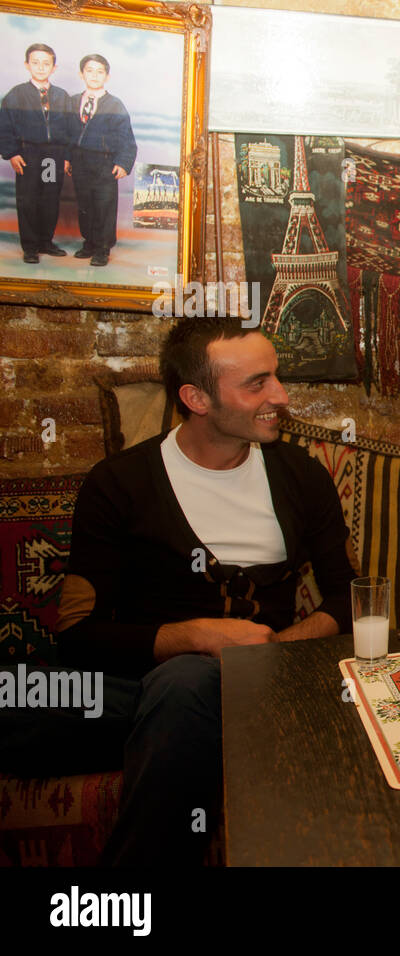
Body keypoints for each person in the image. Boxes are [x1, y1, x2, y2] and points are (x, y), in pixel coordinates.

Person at [0, 316, 355, 864]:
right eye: (256, 383)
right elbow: (77, 637)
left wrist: (269, 650)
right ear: (197, 397)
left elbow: (346, 600)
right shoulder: (119, 483)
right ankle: (170, 732)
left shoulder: (301, 476)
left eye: (275, 377)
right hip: (140, 689)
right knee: (20, 692)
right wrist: (191, 635)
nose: (280, 397)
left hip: (269, 686)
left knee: (185, 684)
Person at [0, 43, 71, 264]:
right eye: (36, 62)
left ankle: (45, 242)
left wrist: (67, 156)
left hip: (52, 157)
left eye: (46, 63)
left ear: (54, 67)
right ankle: (30, 247)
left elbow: (71, 129)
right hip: (29, 154)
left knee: (49, 197)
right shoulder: (17, 94)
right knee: (29, 198)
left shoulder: (61, 96)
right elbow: (4, 126)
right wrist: (11, 153)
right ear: (27, 65)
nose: (41, 67)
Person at [65, 54, 135, 267]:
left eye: (99, 71)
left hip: (105, 163)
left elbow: (126, 137)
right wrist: (68, 158)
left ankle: (102, 249)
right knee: (85, 205)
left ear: (107, 76)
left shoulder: (114, 104)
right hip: (79, 162)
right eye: (89, 70)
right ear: (81, 74)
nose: (94, 75)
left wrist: (123, 163)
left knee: (104, 205)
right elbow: (67, 133)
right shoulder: (73, 101)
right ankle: (89, 243)